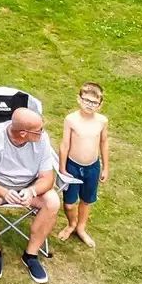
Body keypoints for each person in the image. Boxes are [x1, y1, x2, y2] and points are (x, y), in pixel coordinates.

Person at [0, 107, 60, 284]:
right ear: (22, 134)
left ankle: (31, 255)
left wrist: (32, 191)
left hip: (29, 187)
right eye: (39, 130)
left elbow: (48, 178)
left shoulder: (42, 140)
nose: (43, 132)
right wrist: (4, 192)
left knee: (53, 202)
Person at [58, 83, 110, 247]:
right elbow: (64, 145)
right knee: (69, 203)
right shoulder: (71, 120)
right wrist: (62, 167)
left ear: (100, 104)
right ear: (79, 100)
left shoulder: (102, 121)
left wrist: (106, 167)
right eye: (86, 100)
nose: (89, 104)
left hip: (92, 168)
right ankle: (71, 224)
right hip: (73, 167)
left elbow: (104, 143)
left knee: (86, 200)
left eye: (94, 102)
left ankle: (81, 228)